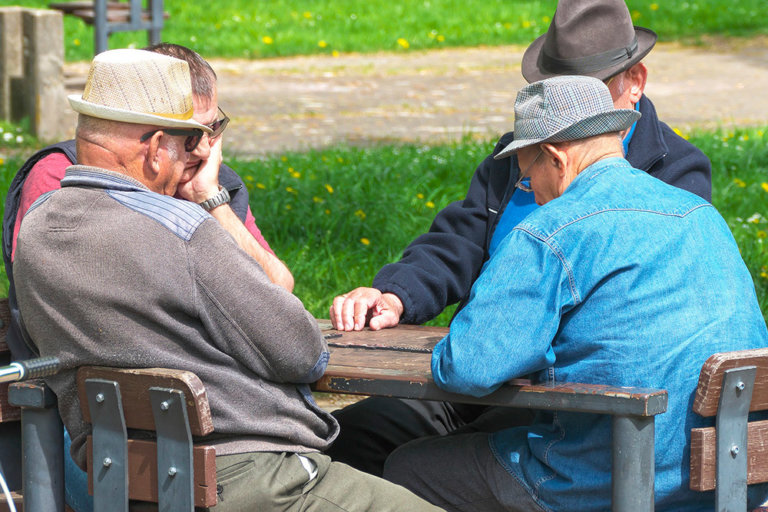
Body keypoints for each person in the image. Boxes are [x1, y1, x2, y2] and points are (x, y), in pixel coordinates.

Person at [12, 49, 443, 512]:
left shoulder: (36, 227)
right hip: (250, 477)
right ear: (156, 148)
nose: (195, 156)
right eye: (188, 142)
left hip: (125, 480)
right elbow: (301, 350)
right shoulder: (181, 228)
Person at [326, 0, 714, 476]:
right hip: (485, 367)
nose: (570, 108)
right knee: (348, 436)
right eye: (557, 90)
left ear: (635, 83)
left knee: (432, 466)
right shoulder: (520, 153)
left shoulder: (672, 174)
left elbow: (646, 320)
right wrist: (396, 293)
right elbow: (461, 240)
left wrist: (500, 346)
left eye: (588, 91)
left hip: (573, 392)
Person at [381, 75, 768, 511]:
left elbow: (467, 367)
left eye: (527, 179)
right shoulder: (702, 216)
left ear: (554, 157)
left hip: (600, 481)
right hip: (728, 480)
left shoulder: (553, 231)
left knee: (407, 467)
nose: (534, 194)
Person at [2, 43, 293, 364]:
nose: (204, 151)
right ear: (152, 136)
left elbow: (278, 297)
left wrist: (212, 201)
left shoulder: (214, 183)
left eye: (213, 130)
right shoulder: (61, 175)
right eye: (190, 136)